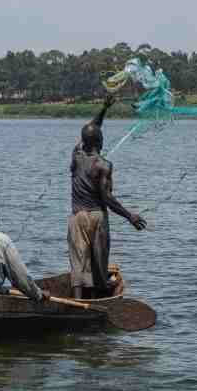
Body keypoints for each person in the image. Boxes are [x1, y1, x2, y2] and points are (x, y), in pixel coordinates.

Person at [68, 94, 146, 299]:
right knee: (98, 261)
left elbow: (91, 129)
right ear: (100, 142)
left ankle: (78, 300)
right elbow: (107, 198)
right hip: (97, 216)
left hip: (78, 217)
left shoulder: (76, 155)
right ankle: (97, 298)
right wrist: (130, 216)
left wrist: (104, 108)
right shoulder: (104, 165)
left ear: (84, 142)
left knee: (78, 261)